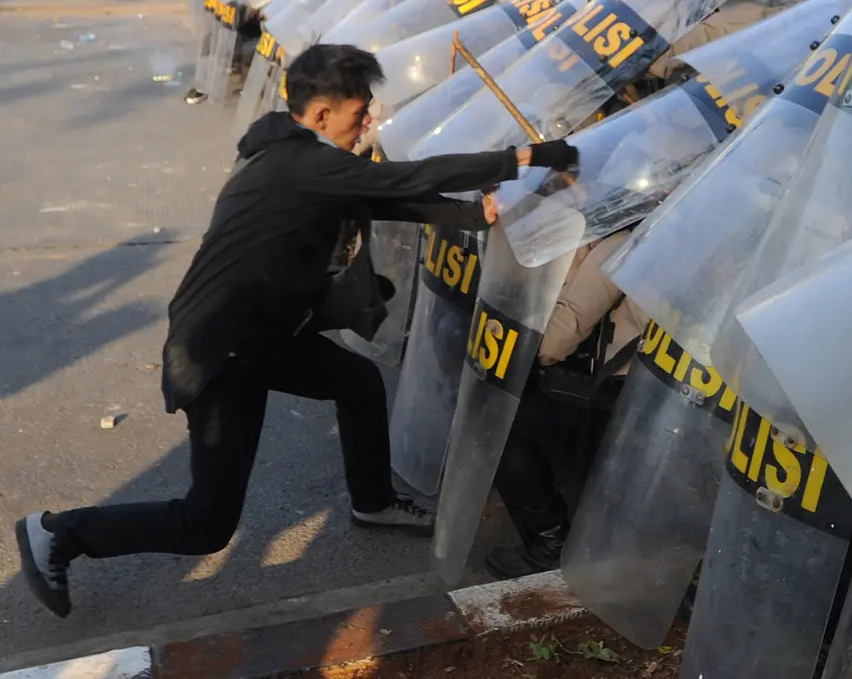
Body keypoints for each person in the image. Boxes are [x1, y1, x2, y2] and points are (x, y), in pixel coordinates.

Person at [15, 43, 579, 619]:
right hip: (221, 351)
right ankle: (61, 533)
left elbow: (375, 195)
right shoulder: (302, 164)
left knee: (357, 382)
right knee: (206, 523)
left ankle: (373, 502)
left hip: (259, 335)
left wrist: (467, 215)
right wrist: (521, 158)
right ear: (320, 115)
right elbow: (404, 178)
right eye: (360, 115)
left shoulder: (294, 153)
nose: (369, 124)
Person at [484, 229, 650, 579]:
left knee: (497, 420)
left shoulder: (632, 239)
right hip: (671, 403)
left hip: (623, 406)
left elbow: (557, 336)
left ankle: (550, 542)